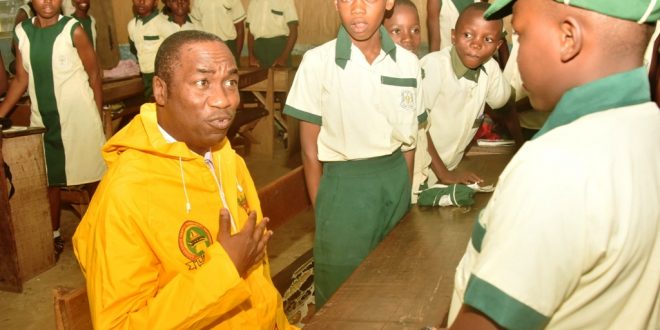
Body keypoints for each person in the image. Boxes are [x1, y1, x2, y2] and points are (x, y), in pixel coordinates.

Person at [447, 0, 660, 329]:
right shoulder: (648, 128)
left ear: (568, 38)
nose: (515, 57)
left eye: (521, 35)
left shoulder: (557, 166)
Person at [73, 30, 296, 329]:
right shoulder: (125, 194)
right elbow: (119, 325)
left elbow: (260, 280)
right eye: (202, 83)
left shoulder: (227, 160)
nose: (223, 100)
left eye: (230, 82)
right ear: (161, 91)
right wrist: (225, 270)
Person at [283, 0, 424, 308]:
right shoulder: (317, 62)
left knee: (390, 285)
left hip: (394, 180)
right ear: (336, 3)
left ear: (388, 3)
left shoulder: (409, 63)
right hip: (343, 188)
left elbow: (410, 143)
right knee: (339, 294)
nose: (357, 9)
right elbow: (309, 149)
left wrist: (404, 196)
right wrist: (324, 208)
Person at [0, 0, 106, 259]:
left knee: (94, 178)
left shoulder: (74, 29)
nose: (47, 2)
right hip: (44, 120)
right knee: (50, 181)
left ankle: (103, 232)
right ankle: (54, 234)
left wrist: (97, 116)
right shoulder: (22, 31)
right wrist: (1, 112)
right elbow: (22, 78)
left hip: (79, 117)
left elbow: (94, 74)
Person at [412, 3, 510, 197]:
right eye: (468, 35)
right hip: (417, 170)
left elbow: (501, 100)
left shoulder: (487, 69)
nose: (476, 44)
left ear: (498, 45)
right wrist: (444, 174)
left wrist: (492, 63)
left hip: (447, 170)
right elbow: (417, 125)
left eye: (488, 39)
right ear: (453, 36)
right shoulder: (434, 66)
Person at [246, 0, 299, 68]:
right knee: (260, 78)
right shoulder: (253, 2)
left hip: (279, 50)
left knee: (280, 78)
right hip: (258, 52)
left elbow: (294, 31)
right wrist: (251, 56)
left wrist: (283, 58)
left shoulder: (286, 1)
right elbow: (250, 32)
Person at [128, 0, 161, 100]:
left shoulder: (163, 22)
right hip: (145, 75)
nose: (141, 2)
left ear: (155, 2)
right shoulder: (132, 25)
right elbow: (134, 49)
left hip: (161, 74)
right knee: (150, 107)